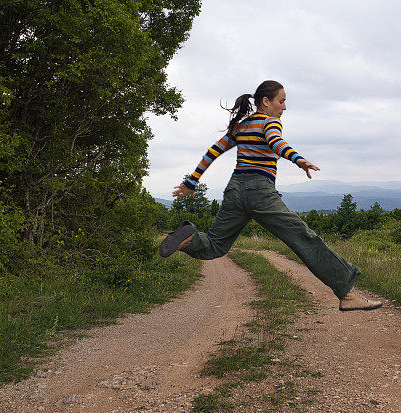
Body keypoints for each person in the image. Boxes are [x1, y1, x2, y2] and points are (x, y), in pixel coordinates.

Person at [160, 80, 381, 312]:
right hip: (260, 192)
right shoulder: (270, 122)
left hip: (235, 190)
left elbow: (214, 151)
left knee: (215, 244)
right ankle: (347, 294)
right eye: (281, 101)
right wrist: (298, 159)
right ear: (266, 102)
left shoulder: (241, 125)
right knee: (304, 237)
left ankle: (188, 239)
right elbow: (276, 142)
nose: (284, 107)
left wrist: (191, 181)